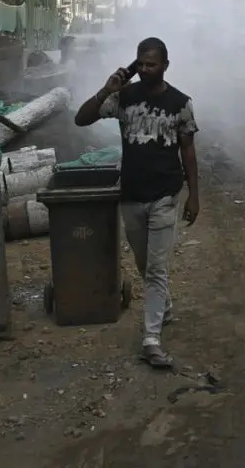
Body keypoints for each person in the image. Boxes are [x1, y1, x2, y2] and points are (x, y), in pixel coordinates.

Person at [74, 37, 200, 368]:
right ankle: (165, 308)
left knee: (157, 269)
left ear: (165, 66)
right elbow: (81, 119)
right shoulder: (124, 98)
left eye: (151, 64)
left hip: (164, 195)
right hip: (131, 195)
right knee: (145, 264)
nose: (144, 70)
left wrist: (194, 196)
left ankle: (151, 339)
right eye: (140, 64)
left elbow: (188, 150)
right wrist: (106, 88)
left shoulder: (180, 103)